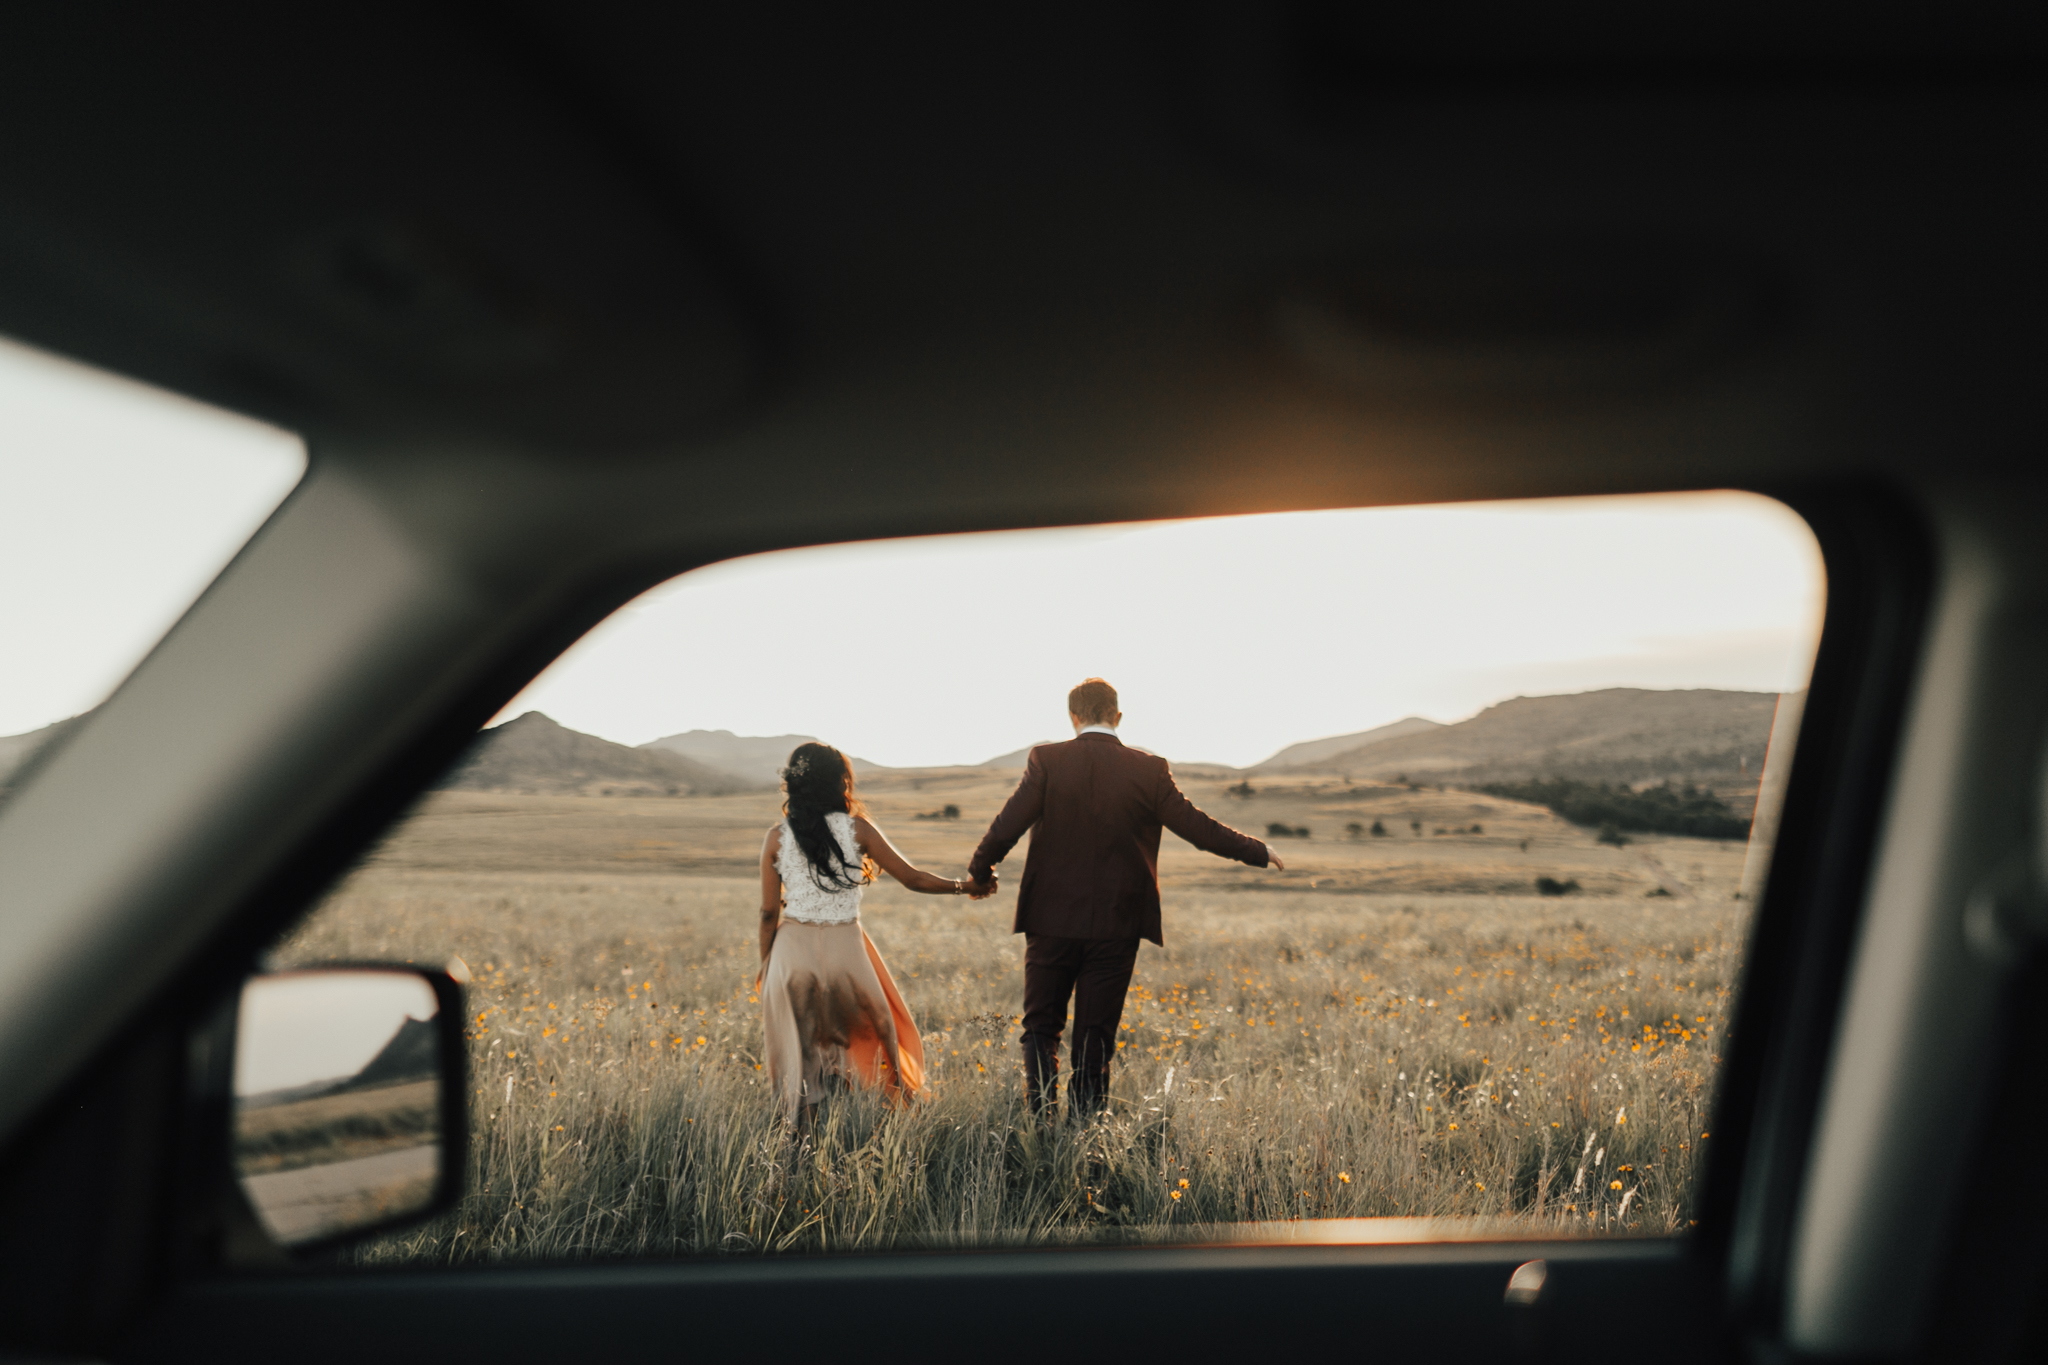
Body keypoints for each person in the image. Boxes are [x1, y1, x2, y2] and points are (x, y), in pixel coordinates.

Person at [967, 678, 1282, 1119]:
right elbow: (1197, 828)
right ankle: (1085, 1129)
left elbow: (1007, 825)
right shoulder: (1149, 769)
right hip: (1118, 923)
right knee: (1096, 1031)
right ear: (1117, 716)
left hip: (1050, 918)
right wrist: (1257, 851)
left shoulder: (1047, 759)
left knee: (1041, 1026)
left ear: (1072, 717)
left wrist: (981, 872)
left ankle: (1040, 1122)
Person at [758, 741, 990, 1123]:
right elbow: (912, 878)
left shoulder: (775, 837)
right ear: (841, 783)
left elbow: (768, 913)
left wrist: (767, 964)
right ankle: (890, 1123)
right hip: (847, 950)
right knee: (880, 1029)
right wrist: (965, 886)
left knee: (800, 1052)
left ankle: (803, 1144)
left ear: (793, 785)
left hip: (791, 953)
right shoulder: (858, 830)